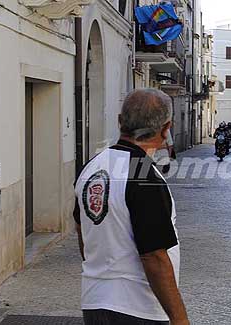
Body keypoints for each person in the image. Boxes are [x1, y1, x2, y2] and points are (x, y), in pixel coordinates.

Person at [73, 89, 189, 325]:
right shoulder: (144, 176)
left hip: (95, 302)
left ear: (119, 121)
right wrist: (180, 320)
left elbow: (82, 231)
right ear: (166, 129)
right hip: (137, 309)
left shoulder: (91, 167)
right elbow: (154, 256)